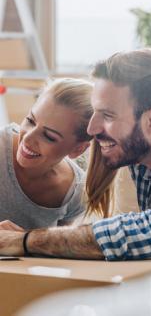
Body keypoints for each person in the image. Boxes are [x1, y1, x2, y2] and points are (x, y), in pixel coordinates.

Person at [0, 48, 151, 261]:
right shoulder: (144, 163)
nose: (92, 130)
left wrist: (23, 241)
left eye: (108, 115)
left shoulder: (75, 188)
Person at [0, 77, 93, 230]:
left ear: (78, 149)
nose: (28, 138)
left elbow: (57, 250)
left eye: (49, 136)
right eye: (30, 120)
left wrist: (23, 241)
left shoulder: (76, 193)